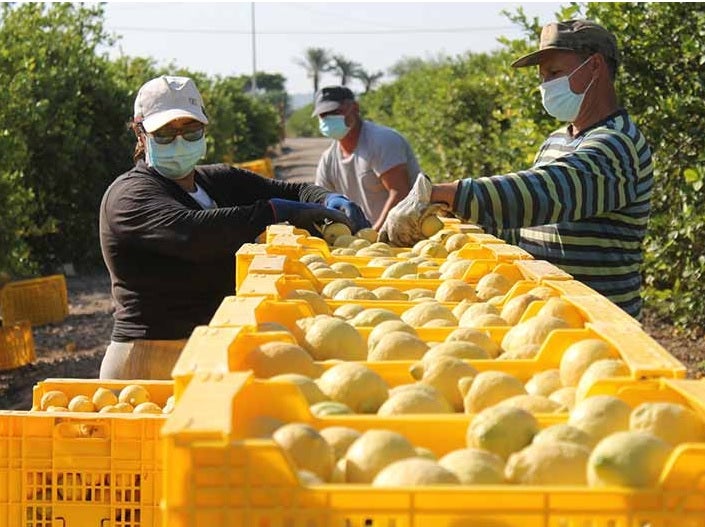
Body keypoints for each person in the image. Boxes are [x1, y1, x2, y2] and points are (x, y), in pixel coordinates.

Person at [99, 75, 367, 380]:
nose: (179, 141)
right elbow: (193, 235)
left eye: (190, 130)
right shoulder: (130, 195)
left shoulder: (215, 182)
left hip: (204, 349)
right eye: (164, 133)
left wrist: (326, 197)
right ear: (140, 132)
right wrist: (273, 213)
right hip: (148, 356)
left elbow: (290, 192)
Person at [380, 20, 654, 318]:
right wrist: (455, 221)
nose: (545, 85)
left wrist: (442, 193)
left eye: (555, 73)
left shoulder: (618, 143)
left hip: (601, 325)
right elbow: (525, 222)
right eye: (542, 76)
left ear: (595, 66)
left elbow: (547, 192)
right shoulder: (557, 141)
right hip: (553, 319)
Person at [313, 85, 422, 231]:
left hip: (404, 234)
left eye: (335, 112)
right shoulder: (328, 159)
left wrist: (374, 235)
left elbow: (400, 192)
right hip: (363, 242)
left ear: (355, 108)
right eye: (323, 115)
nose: (328, 118)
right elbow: (322, 201)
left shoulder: (382, 141)